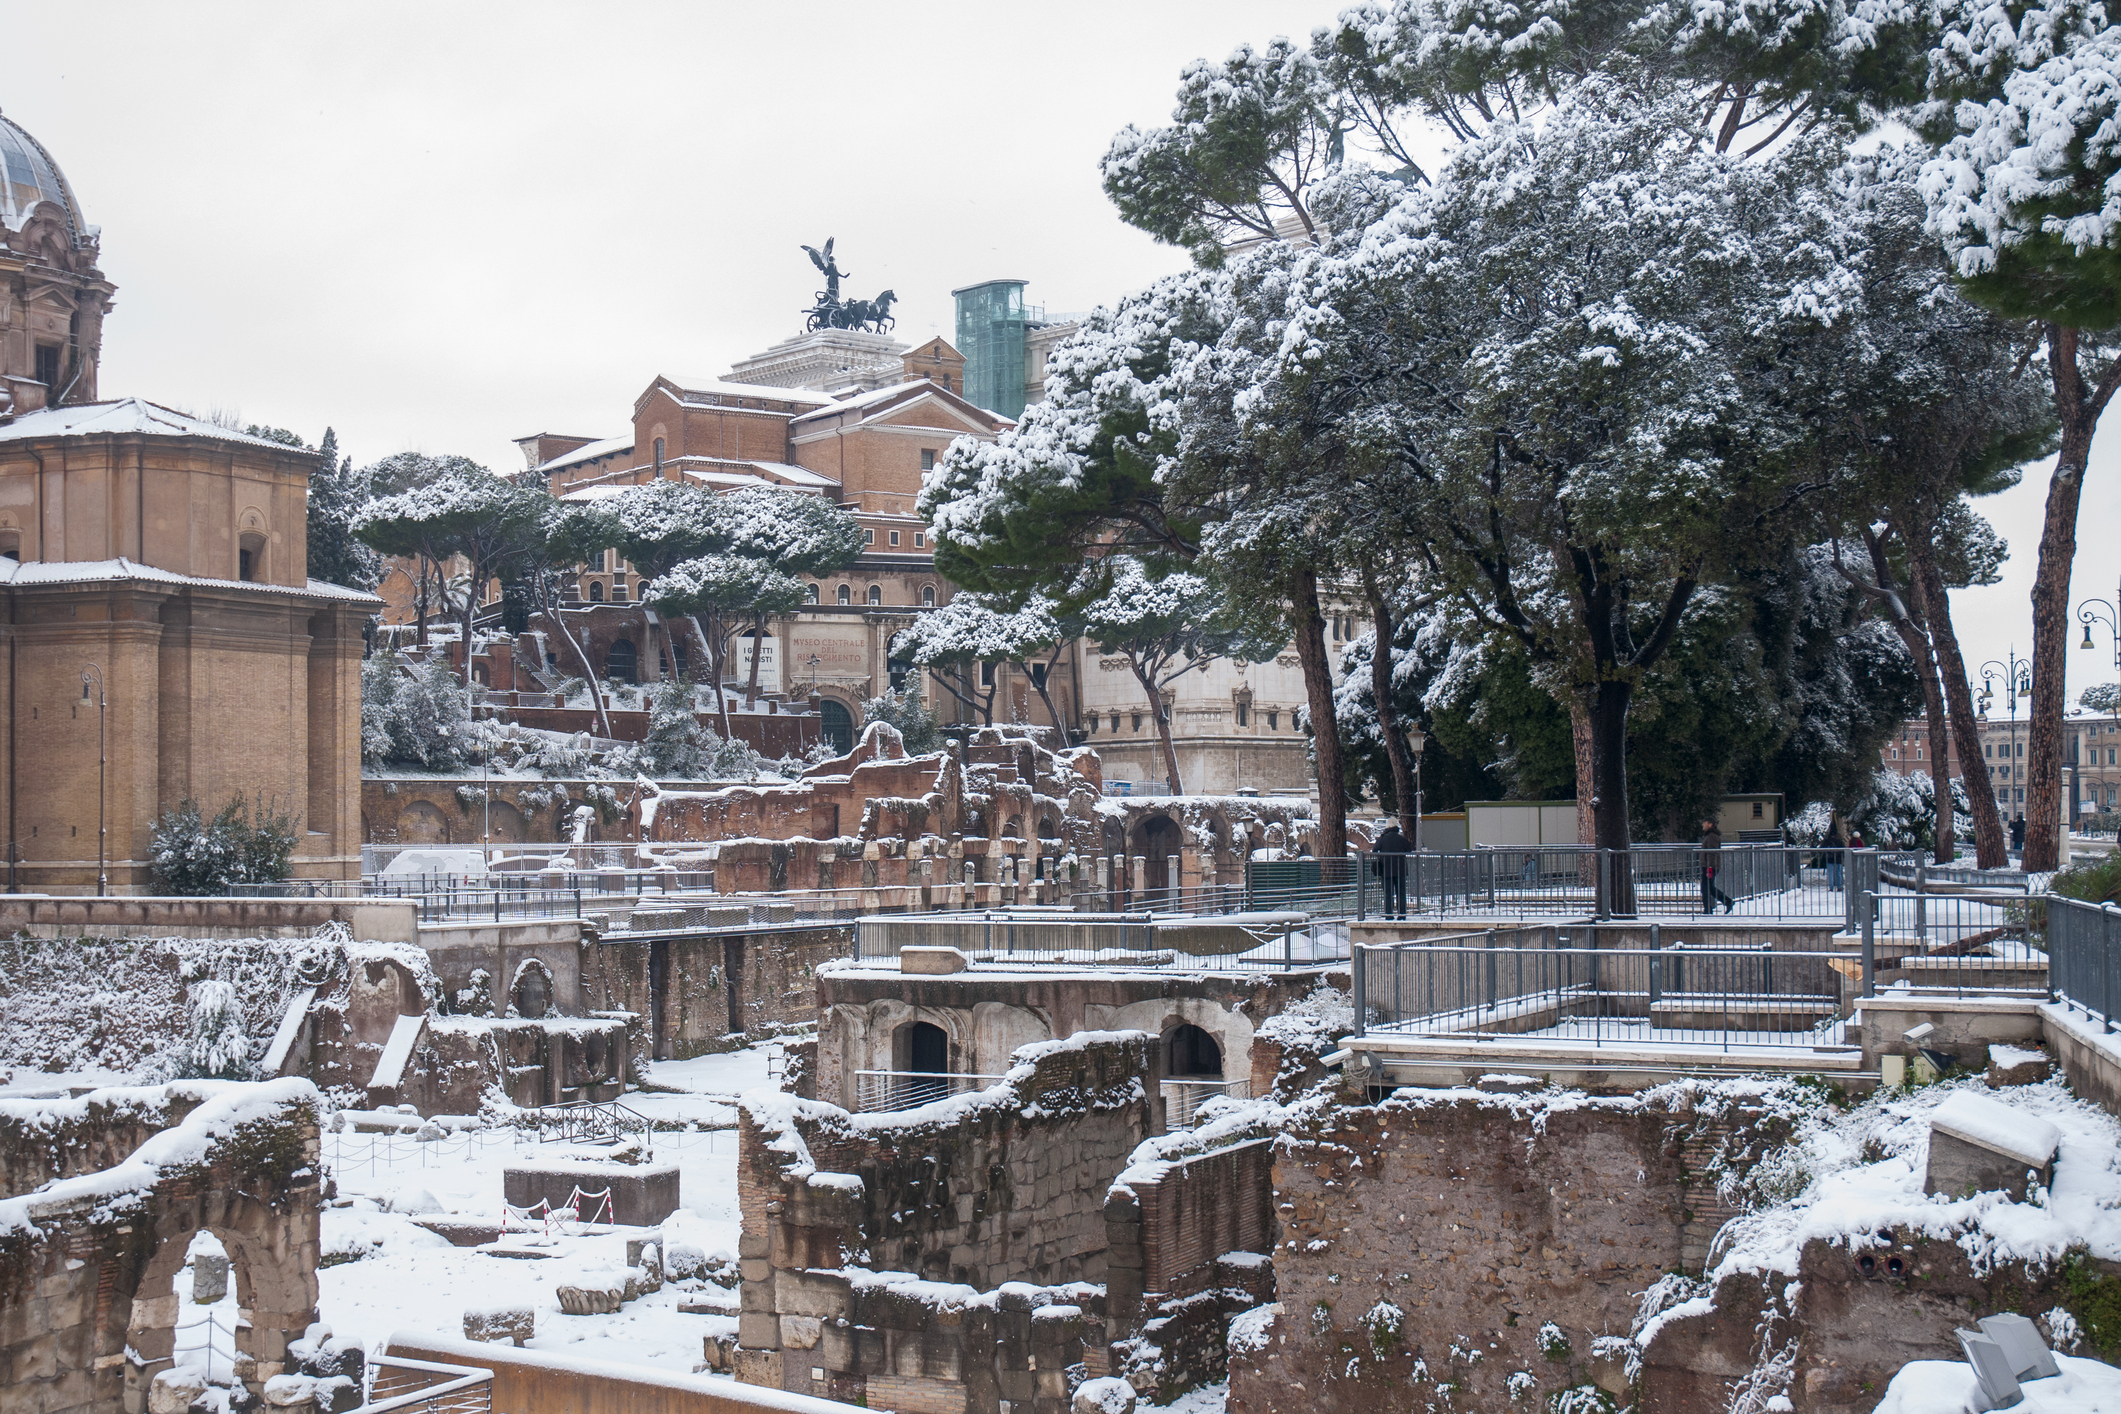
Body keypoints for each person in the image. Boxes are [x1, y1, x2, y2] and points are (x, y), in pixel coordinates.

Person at [1372, 822, 1411, 920]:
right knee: (1401, 893)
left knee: (1388, 893)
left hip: (1386, 870)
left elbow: (1375, 850)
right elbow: (1409, 849)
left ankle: (1389, 914)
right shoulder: (1401, 839)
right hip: (1400, 870)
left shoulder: (1383, 838)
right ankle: (1402, 914)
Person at [1700, 819, 1734, 914]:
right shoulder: (1709, 835)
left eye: (1705, 822)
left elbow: (1712, 852)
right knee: (1708, 887)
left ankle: (1709, 910)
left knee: (1706, 888)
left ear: (1710, 824)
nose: (1703, 824)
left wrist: (1710, 867)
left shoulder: (1711, 836)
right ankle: (1726, 902)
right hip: (1708, 865)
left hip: (1710, 866)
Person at [1824, 818, 1846, 892]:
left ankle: (1831, 887)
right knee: (1838, 873)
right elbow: (1844, 849)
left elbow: (1822, 848)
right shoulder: (1839, 842)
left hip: (1829, 859)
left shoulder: (1827, 841)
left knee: (1830, 873)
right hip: (1838, 859)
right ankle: (1839, 886)